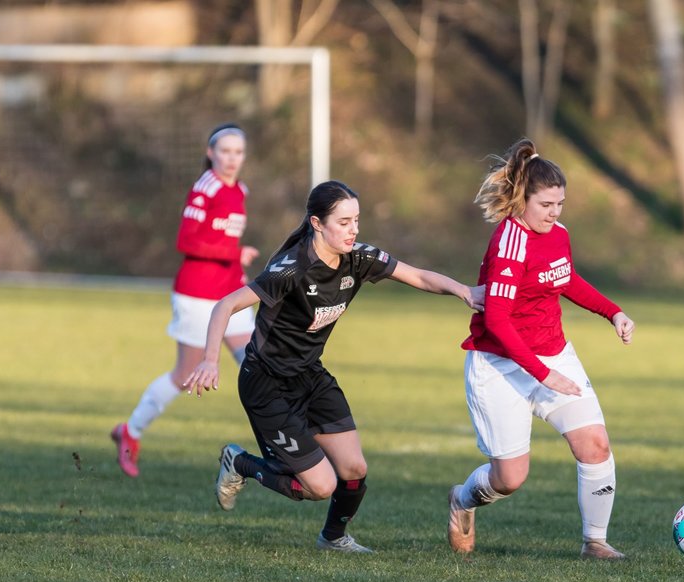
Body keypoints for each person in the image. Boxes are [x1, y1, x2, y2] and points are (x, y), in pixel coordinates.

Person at [182, 180, 483, 553]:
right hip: (267, 385)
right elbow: (224, 306)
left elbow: (418, 275)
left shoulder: (359, 257)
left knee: (355, 469)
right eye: (344, 222)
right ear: (317, 223)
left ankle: (333, 537)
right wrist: (211, 360)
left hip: (310, 376)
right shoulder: (289, 270)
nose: (353, 230)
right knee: (318, 487)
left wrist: (464, 291)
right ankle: (240, 463)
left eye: (356, 220)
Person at [446, 139, 635, 560]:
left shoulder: (557, 234)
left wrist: (613, 313)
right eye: (546, 204)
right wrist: (543, 374)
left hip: (552, 354)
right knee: (510, 478)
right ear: (522, 200)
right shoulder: (509, 242)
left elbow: (565, 279)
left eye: (560, 204)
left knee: (595, 444)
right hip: (500, 364)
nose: (555, 213)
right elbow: (496, 321)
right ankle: (462, 498)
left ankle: (596, 542)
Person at [111, 123, 261, 477]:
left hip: (232, 293)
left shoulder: (240, 190)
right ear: (210, 153)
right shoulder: (204, 188)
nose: (230, 158)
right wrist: (234, 252)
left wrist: (235, 261)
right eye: (224, 151)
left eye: (237, 152)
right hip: (198, 295)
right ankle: (130, 432)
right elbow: (187, 241)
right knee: (184, 375)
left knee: (258, 365)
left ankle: (292, 446)